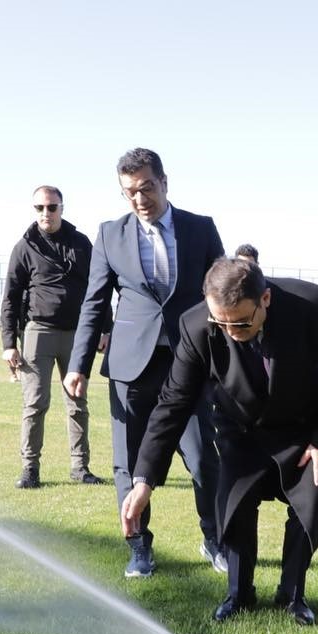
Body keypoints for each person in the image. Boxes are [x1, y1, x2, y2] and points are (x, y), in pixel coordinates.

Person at [120, 257, 318, 625]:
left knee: (310, 505)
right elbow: (173, 403)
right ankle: (239, 595)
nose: (231, 331)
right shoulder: (197, 324)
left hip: (304, 431)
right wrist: (144, 480)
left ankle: (292, 596)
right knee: (232, 510)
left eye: (241, 322)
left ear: (265, 299)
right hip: (240, 431)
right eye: (222, 322)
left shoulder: (311, 304)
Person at [65, 148, 226, 580]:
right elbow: (94, 301)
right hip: (130, 368)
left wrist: (229, 357)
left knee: (203, 459)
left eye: (146, 188)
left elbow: (222, 292)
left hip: (190, 363)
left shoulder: (200, 228)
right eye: (129, 192)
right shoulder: (109, 235)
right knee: (129, 463)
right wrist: (78, 364)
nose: (139, 199)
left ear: (164, 182)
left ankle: (215, 539)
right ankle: (139, 548)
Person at [2, 186, 101, 489]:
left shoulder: (81, 243)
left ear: (62, 207)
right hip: (38, 333)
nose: (46, 213)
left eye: (52, 207)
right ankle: (30, 469)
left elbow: (99, 287)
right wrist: (9, 344)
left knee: (77, 403)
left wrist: (103, 329)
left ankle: (80, 467)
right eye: (40, 208)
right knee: (35, 403)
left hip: (76, 334)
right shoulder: (24, 247)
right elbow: (11, 296)